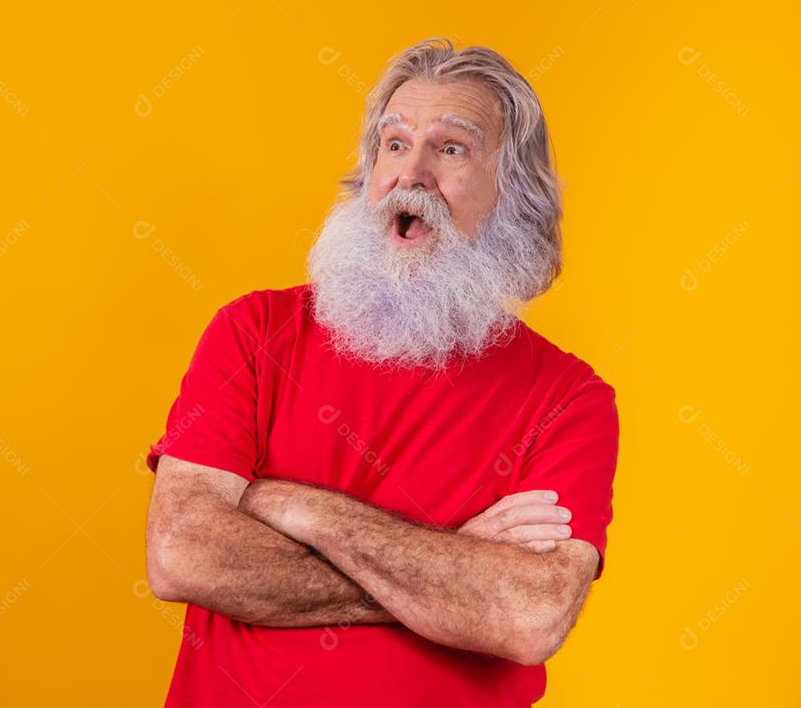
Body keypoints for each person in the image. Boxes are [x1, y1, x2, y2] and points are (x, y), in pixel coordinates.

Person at [144, 37, 619, 707]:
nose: (412, 174)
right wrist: (451, 571)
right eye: (393, 145)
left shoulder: (570, 399)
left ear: (513, 191)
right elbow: (182, 553)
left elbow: (527, 615)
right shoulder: (252, 334)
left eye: (451, 149)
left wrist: (289, 505)